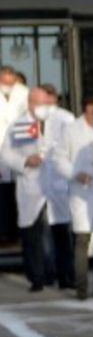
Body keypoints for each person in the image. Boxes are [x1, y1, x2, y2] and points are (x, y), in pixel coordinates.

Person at [52, 92, 93, 300]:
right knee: (82, 239)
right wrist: (74, 174)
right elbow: (59, 158)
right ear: (90, 107)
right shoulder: (71, 130)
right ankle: (81, 288)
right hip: (81, 192)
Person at [0, 86, 65, 291]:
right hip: (30, 186)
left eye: (47, 103)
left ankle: (54, 274)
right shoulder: (17, 126)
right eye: (40, 104)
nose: (45, 108)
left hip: (54, 186)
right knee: (33, 234)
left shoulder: (58, 122)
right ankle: (36, 278)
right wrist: (26, 160)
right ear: (30, 103)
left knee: (55, 232)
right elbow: (6, 155)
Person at [35, 84, 77, 291]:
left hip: (61, 186)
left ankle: (66, 275)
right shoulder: (30, 120)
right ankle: (47, 274)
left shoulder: (66, 119)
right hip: (39, 186)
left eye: (48, 101)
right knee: (44, 234)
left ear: (56, 100)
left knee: (62, 235)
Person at [0, 66, 29, 245]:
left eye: (11, 82)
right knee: (2, 195)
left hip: (19, 150)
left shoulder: (24, 93)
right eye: (5, 82)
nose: (8, 85)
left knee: (18, 194)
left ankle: (18, 233)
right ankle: (4, 233)